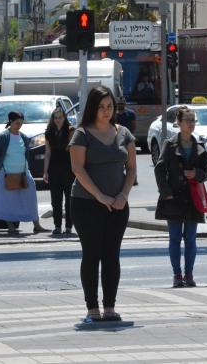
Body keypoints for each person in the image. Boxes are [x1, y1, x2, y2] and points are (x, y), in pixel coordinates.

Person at [69, 86, 137, 323]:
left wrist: (123, 196)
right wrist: (100, 196)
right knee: (92, 254)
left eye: (110, 106)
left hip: (118, 206)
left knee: (111, 255)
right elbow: (77, 169)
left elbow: (132, 169)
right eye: (101, 107)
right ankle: (92, 308)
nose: (106, 111)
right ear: (93, 108)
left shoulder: (124, 133)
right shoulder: (82, 134)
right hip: (87, 204)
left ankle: (110, 307)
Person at [154, 106, 207, 288]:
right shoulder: (169, 145)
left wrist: (196, 173)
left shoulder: (199, 146)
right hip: (174, 199)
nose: (191, 124)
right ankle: (177, 275)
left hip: (192, 198)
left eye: (193, 120)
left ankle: (189, 274)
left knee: (191, 238)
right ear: (178, 123)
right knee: (175, 238)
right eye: (187, 120)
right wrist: (166, 192)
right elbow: (159, 168)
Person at [0, 111, 47, 235]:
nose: (19, 125)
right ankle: (10, 225)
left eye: (21, 123)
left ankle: (36, 224)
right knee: (8, 200)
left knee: (30, 196)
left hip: (23, 173)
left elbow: (26, 154)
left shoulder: (23, 137)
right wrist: (1, 168)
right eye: (17, 123)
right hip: (7, 173)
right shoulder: (3, 137)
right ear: (10, 122)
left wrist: (27, 169)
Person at [44, 108, 75, 237]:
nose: (58, 120)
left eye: (60, 117)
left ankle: (68, 227)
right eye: (55, 117)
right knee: (56, 200)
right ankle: (57, 226)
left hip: (68, 169)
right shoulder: (49, 132)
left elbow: (72, 150)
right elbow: (47, 152)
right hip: (54, 168)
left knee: (69, 200)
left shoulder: (70, 130)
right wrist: (45, 171)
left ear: (64, 118)